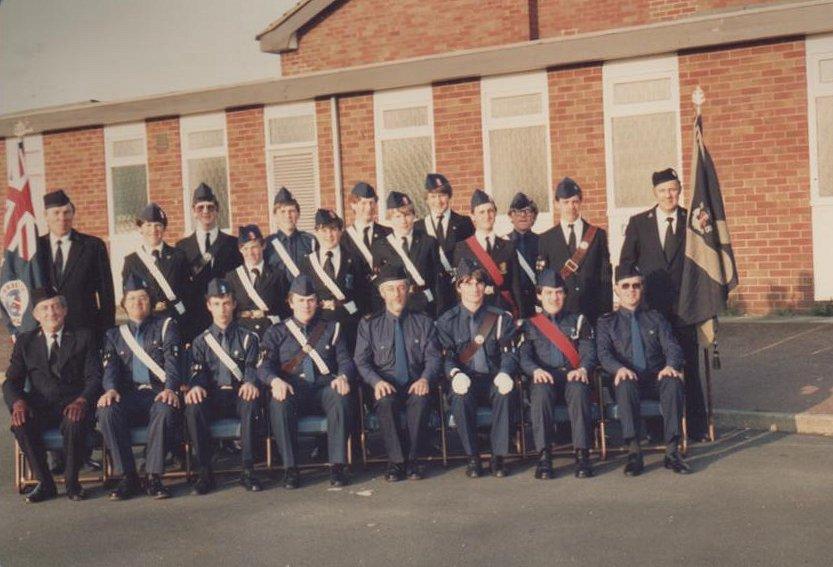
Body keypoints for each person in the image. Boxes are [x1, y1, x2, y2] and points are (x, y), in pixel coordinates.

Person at [619, 168, 707, 440]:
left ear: (680, 190)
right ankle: (657, 428)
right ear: (654, 193)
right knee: (654, 365)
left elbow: (705, 259)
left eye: (673, 189)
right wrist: (630, 298)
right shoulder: (639, 222)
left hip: (685, 308)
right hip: (650, 311)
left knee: (687, 366)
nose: (668, 195)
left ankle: (695, 427)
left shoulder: (692, 220)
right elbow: (625, 263)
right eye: (663, 190)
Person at [3, 288, 101, 503]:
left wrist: (82, 400)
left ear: (64, 310)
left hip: (74, 404)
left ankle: (72, 483)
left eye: (56, 306)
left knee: (74, 422)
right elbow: (11, 381)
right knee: (21, 423)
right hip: (40, 406)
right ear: (36, 315)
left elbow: (94, 377)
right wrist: (18, 403)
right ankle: (45, 483)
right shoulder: (25, 342)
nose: (51, 312)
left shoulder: (83, 336)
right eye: (44, 308)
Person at [259, 275, 355, 489]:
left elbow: (346, 361)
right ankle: (290, 469)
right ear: (291, 302)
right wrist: (274, 381)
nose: (306, 305)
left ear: (317, 302)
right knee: (278, 403)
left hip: (324, 388)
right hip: (293, 390)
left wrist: (343, 376)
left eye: (311, 300)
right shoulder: (276, 332)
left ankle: (338, 466)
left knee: (340, 396)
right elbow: (263, 367)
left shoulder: (332, 328)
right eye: (301, 300)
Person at [596, 264, 690, 476]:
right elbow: (603, 354)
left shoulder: (656, 318)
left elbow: (673, 347)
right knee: (625, 383)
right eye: (626, 286)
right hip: (627, 381)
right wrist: (618, 368)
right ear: (616, 289)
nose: (631, 290)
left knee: (673, 381)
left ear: (642, 288)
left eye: (636, 285)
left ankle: (673, 452)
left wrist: (670, 366)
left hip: (655, 378)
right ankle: (634, 452)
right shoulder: (607, 323)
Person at [96, 275, 182, 500]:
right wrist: (111, 389)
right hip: (128, 394)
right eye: (131, 298)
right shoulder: (113, 334)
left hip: (157, 392)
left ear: (150, 302)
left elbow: (172, 362)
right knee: (106, 410)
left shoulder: (166, 326)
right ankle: (127, 477)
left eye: (142, 298)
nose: (137, 303)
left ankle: (154, 476)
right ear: (124, 303)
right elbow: (110, 368)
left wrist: (170, 388)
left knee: (166, 407)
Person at [354, 265, 442, 482]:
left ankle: (413, 461)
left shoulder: (424, 322)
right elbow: (361, 361)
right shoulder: (369, 324)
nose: (397, 294)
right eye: (391, 289)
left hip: (415, 382)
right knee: (385, 401)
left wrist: (425, 379)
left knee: (421, 400)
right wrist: (376, 382)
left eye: (402, 288)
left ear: (409, 290)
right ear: (382, 293)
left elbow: (434, 357)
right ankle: (396, 462)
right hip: (386, 384)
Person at [436, 259, 518, 478]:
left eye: (479, 283)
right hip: (465, 378)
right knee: (460, 398)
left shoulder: (500, 318)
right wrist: (454, 374)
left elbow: (509, 352)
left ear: (485, 287)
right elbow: (446, 357)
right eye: (468, 282)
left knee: (506, 393)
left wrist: (505, 372)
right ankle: (472, 457)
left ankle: (498, 457)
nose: (474, 288)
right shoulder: (446, 321)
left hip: (493, 377)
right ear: (459, 287)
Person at [185, 278, 263, 494]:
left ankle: (248, 469)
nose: (222, 309)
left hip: (239, 394)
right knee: (193, 407)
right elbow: (197, 371)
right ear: (208, 305)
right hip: (213, 396)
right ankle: (204, 472)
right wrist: (196, 386)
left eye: (226, 303)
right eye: (217, 303)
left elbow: (252, 365)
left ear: (234, 304)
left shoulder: (248, 337)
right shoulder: (200, 341)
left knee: (250, 402)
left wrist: (250, 382)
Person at [519, 269, 596, 479]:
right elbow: (524, 356)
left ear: (565, 294)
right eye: (549, 292)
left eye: (559, 292)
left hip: (572, 376)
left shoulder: (578, 321)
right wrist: (535, 371)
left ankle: (582, 455)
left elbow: (589, 352)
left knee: (580, 389)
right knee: (540, 392)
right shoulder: (530, 324)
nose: (554, 297)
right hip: (546, 377)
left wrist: (583, 369)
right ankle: (544, 457)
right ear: (539, 295)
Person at [35, 189, 115, 342]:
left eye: (67, 212)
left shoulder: (93, 246)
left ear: (73, 214)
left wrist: (107, 331)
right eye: (56, 213)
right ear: (46, 215)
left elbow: (106, 293)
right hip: (46, 332)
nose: (62, 218)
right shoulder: (36, 248)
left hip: (85, 330)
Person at [536, 177, 612, 325]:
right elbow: (542, 281)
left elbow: (605, 279)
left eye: (575, 201)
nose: (571, 207)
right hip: (561, 314)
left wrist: (606, 314)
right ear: (557, 204)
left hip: (592, 311)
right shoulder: (546, 239)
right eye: (566, 202)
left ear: (581, 202)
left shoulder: (597, 235)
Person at [176, 183, 242, 342]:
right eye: (200, 207)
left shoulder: (233, 244)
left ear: (217, 210)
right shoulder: (182, 247)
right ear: (193, 211)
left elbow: (238, 283)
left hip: (225, 315)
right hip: (194, 319)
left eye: (210, 207)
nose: (205, 211)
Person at [298, 209, 368, 351]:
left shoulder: (354, 259)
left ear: (340, 231)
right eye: (323, 230)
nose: (329, 235)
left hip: (349, 324)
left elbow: (364, 294)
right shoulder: (307, 263)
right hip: (319, 324)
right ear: (316, 232)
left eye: (333, 229)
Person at [452, 190, 521, 316]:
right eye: (481, 212)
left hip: (503, 310)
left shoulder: (508, 247)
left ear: (495, 213)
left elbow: (516, 286)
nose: (487, 216)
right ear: (472, 215)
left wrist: (519, 315)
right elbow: (459, 289)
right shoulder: (462, 248)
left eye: (490, 211)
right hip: (475, 312)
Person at [371, 191, 440, 316]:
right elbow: (379, 284)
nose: (403, 220)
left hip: (424, 306)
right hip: (395, 308)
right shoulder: (380, 246)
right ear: (390, 219)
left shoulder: (428, 242)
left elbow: (437, 279)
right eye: (398, 216)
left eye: (407, 214)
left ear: (414, 216)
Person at [414, 173, 474, 315]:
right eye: (433, 197)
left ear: (449, 196)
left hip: (458, 293)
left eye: (442, 195)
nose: (438, 201)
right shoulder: (418, 227)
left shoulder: (464, 223)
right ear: (426, 200)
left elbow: (472, 259)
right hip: (432, 295)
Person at [121, 203, 190, 326]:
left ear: (164, 228)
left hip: (175, 321)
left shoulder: (178, 256)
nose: (153, 230)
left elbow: (187, 292)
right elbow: (128, 297)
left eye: (158, 225)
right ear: (140, 229)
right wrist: (152, 305)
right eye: (148, 225)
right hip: (146, 323)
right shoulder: (131, 261)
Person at [225, 225, 287, 338]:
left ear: (263, 246)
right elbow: (229, 311)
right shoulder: (232, 277)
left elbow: (285, 309)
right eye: (245, 248)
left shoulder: (278, 275)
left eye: (254, 247)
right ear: (240, 250)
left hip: (271, 333)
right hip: (242, 334)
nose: (250, 253)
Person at [264, 187, 317, 285]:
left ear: (298, 214)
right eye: (282, 211)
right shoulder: (267, 244)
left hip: (305, 298)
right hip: (279, 298)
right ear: (275, 216)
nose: (288, 216)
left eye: (291, 211)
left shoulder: (310, 241)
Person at [504, 192, 540, 318]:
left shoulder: (543, 242)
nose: (523, 215)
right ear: (511, 216)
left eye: (527, 211)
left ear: (534, 216)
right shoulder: (503, 244)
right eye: (517, 211)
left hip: (538, 306)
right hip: (513, 307)